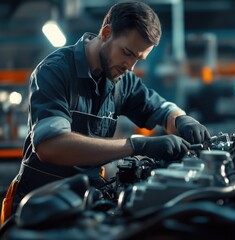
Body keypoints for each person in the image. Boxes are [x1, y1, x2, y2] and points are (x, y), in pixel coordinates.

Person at [0, 1, 210, 224]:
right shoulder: (55, 70)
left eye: (138, 59)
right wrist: (136, 145)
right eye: (127, 53)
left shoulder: (122, 81)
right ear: (106, 32)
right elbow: (51, 146)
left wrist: (182, 120)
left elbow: (162, 109)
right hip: (38, 205)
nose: (130, 66)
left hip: (89, 201)